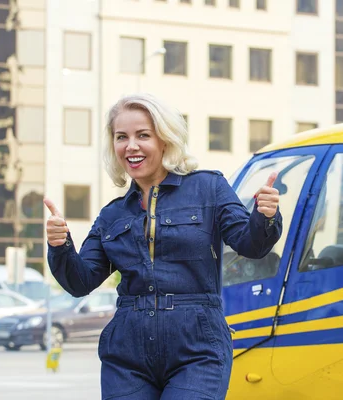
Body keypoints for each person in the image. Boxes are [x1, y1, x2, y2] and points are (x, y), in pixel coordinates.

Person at [43, 93, 282, 400]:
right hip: (127, 353)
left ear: (165, 139)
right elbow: (80, 282)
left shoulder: (209, 187)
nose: (131, 146)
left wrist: (265, 216)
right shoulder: (111, 214)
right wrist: (59, 244)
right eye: (121, 137)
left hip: (197, 346)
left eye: (143, 135)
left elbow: (251, 244)